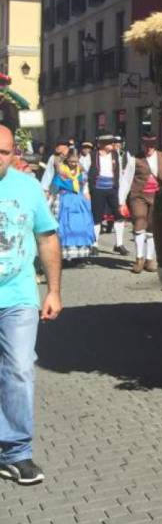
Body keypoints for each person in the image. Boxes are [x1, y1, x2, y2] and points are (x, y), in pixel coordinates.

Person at [0, 125, 62, 486]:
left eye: (5, 152)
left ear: (14, 154)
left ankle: (16, 452)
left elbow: (47, 238)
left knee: (20, 369)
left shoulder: (28, 188)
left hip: (19, 296)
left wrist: (53, 291)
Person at [119, 135, 162, 274]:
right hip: (138, 196)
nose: (149, 148)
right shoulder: (134, 159)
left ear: (155, 145)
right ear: (142, 145)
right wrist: (121, 202)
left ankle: (150, 259)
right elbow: (126, 180)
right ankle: (139, 258)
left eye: (151, 145)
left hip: (158, 196)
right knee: (139, 224)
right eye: (146, 145)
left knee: (152, 228)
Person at [51, 150, 95, 265]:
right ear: (67, 160)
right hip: (64, 201)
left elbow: (85, 187)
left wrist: (88, 201)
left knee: (81, 227)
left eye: (76, 161)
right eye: (71, 161)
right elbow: (54, 187)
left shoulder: (82, 172)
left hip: (79, 201)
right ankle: (64, 256)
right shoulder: (61, 172)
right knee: (65, 227)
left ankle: (80, 257)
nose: (74, 164)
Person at [88, 135, 128, 256]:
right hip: (97, 189)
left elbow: (119, 174)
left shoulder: (116, 155)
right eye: (110, 143)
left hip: (112, 189)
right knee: (97, 217)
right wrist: (86, 191)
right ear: (102, 144)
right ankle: (94, 245)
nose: (113, 145)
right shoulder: (92, 156)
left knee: (119, 215)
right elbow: (84, 174)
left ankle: (119, 244)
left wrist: (121, 192)